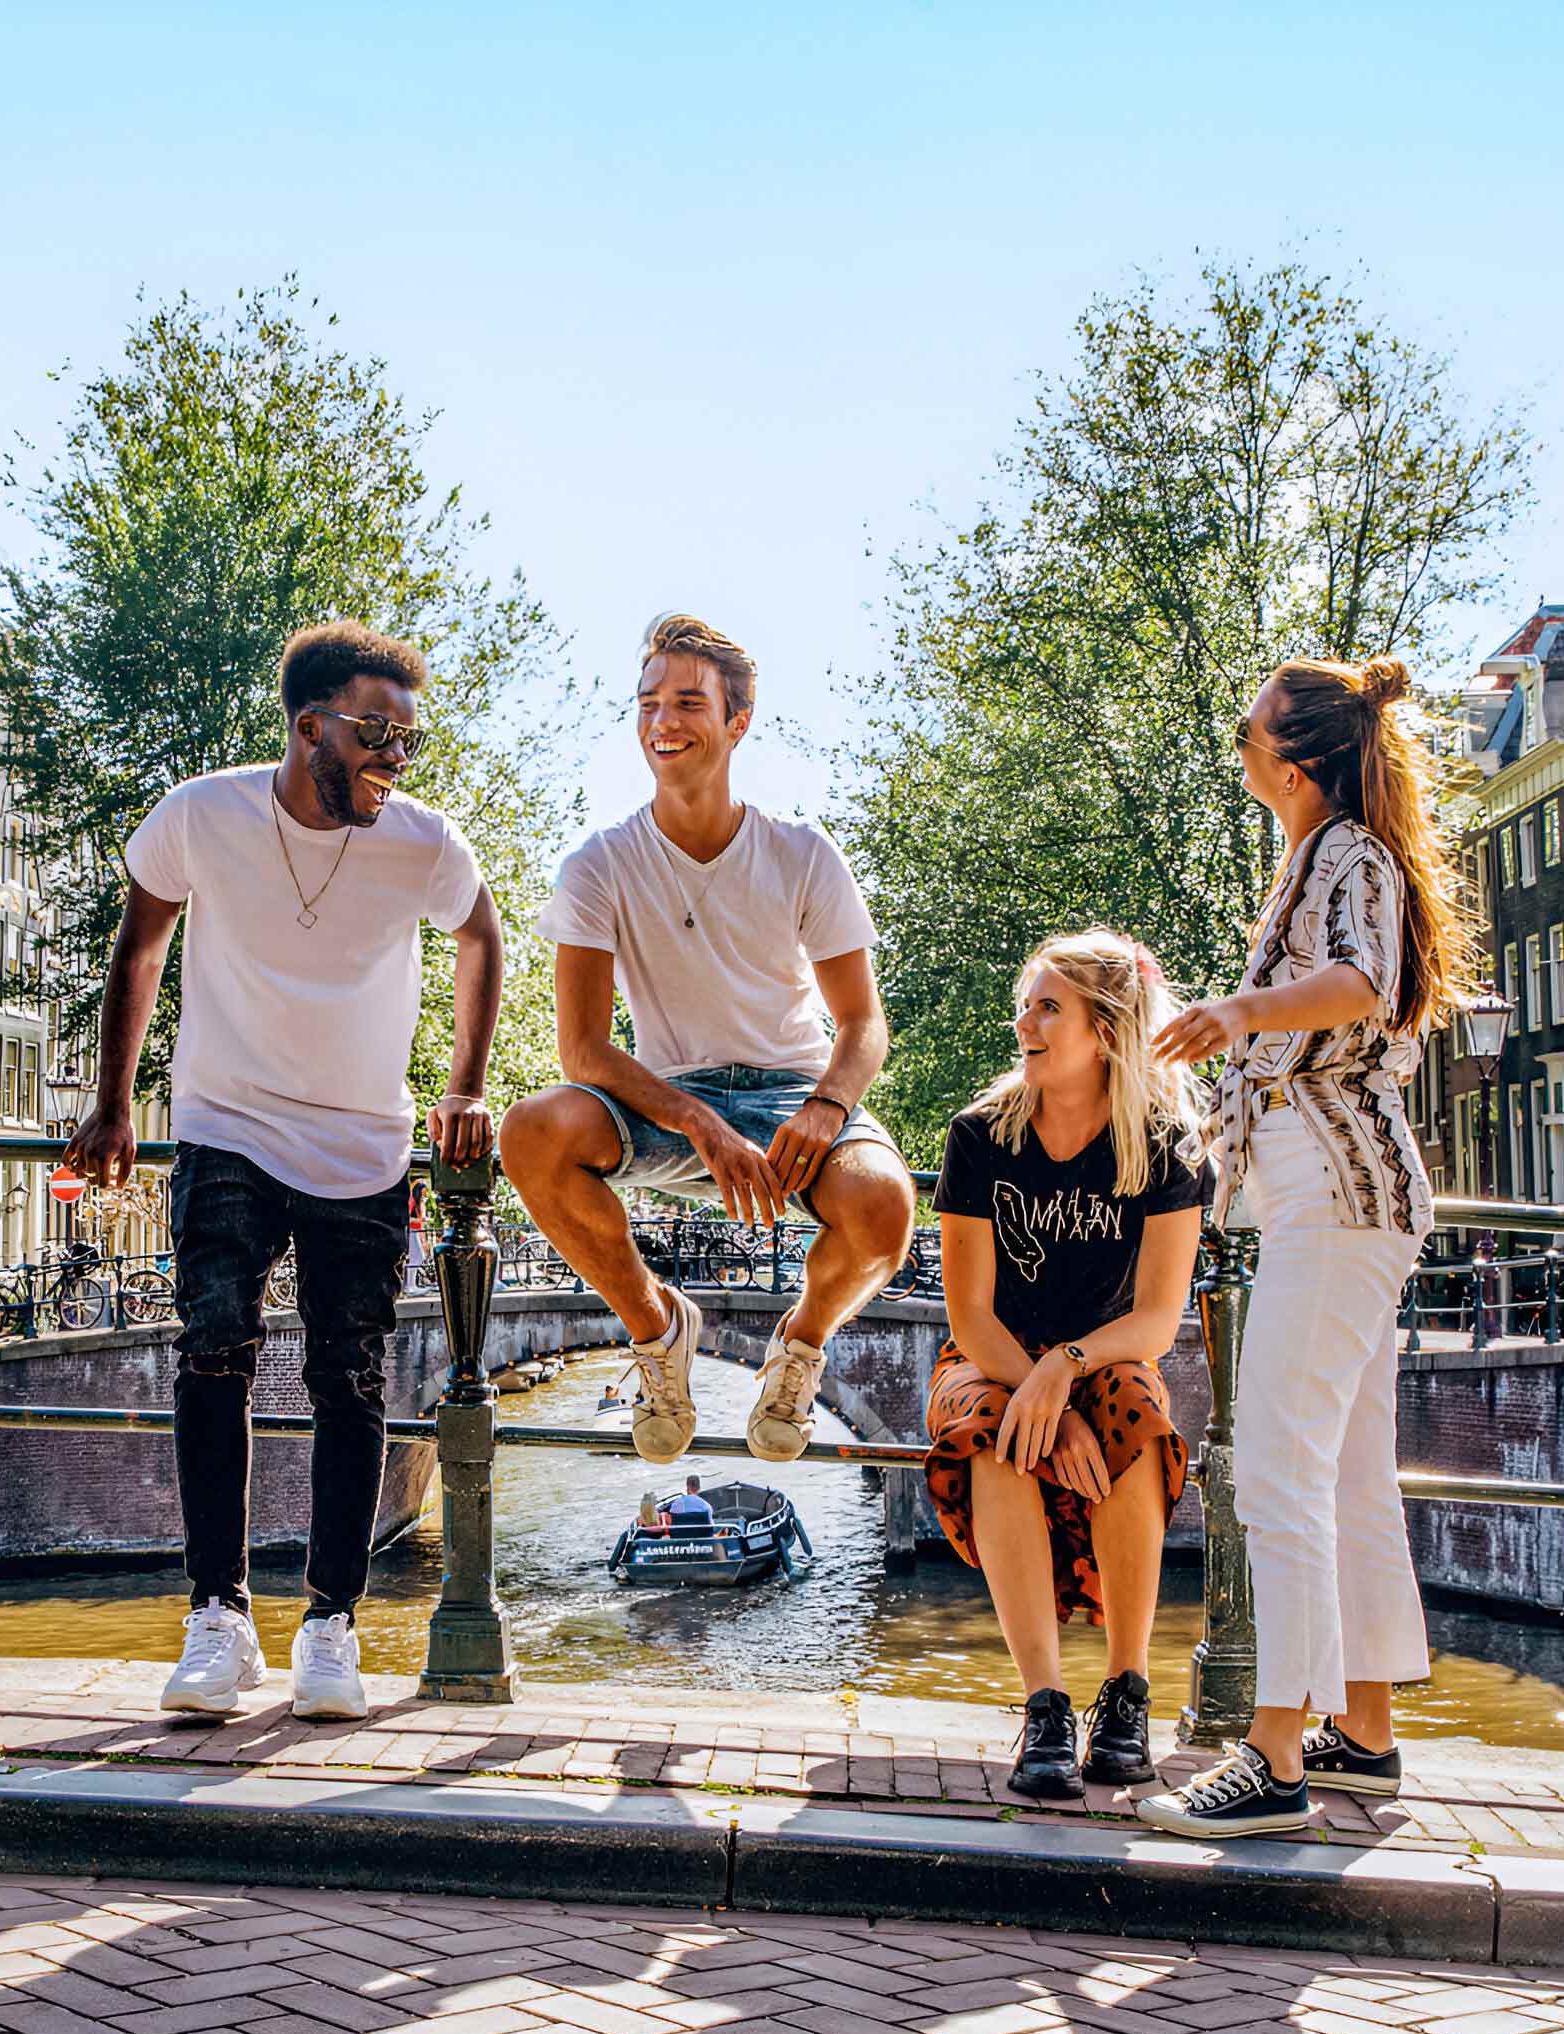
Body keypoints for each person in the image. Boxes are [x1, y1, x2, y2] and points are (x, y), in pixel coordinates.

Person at [62, 621, 504, 1722]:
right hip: (227, 1122)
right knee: (212, 1348)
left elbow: (483, 938)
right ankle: (217, 1617)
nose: (395, 760)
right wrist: (115, 1103)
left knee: (349, 1378)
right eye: (374, 733)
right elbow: (141, 947)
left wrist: (464, 1085)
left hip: (361, 1140)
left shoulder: (421, 842)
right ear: (310, 728)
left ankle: (331, 1627)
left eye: (408, 739)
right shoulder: (201, 815)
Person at [1137, 655, 1469, 1840]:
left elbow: (1356, 983)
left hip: (1335, 1200)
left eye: (1247, 730)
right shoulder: (1321, 855)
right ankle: (1365, 1733)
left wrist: (1239, 1013)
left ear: (1297, 758)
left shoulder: (1348, 857)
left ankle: (1273, 1755)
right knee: (1346, 1473)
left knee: (1276, 1463)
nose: (1239, 747)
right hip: (1339, 1200)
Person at [501, 615, 914, 1467]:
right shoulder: (599, 865)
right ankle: (657, 1331)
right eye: (649, 702)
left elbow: (863, 1024)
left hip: (791, 1092)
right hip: (663, 1096)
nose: (664, 720)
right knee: (530, 1131)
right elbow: (582, 1050)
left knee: (884, 1205)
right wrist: (697, 1121)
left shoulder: (802, 854)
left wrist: (827, 1106)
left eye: (689, 701)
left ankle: (799, 1351)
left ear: (738, 722)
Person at [926, 933, 1210, 1800]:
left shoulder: (1164, 1144)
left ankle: (1127, 1696)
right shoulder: (980, 1137)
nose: (1026, 1021)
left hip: (1105, 1358)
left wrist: (1071, 1369)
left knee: (1133, 1406)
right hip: (991, 1355)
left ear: (1107, 1028)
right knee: (994, 1429)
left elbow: (1158, 1321)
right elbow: (969, 1315)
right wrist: (1042, 1389)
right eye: (1027, 1003)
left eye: (1050, 1006)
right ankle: (1045, 1707)